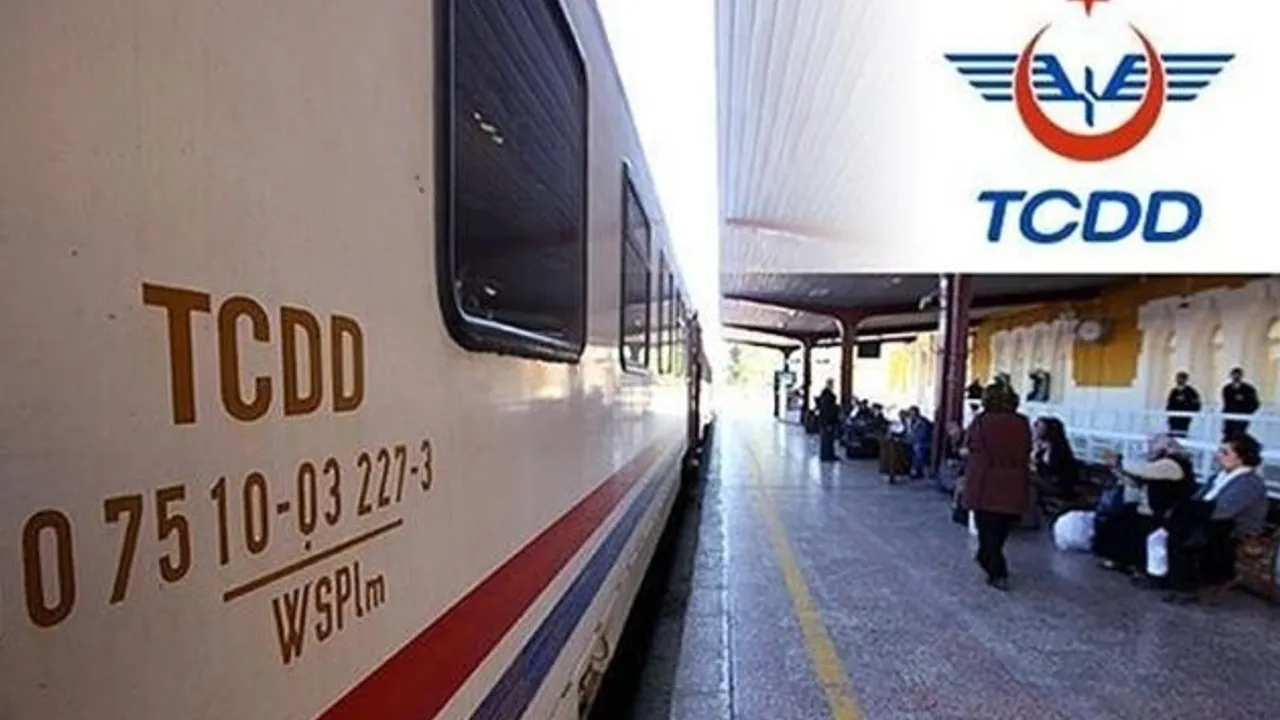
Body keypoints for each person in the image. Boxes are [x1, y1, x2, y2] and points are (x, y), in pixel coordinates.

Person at [1163, 433, 1269, 604]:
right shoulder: (1219, 476)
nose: (1218, 455)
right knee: (1177, 520)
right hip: (1213, 520)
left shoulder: (1249, 482)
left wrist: (1188, 509)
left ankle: (1185, 585)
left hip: (1237, 530)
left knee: (1187, 528)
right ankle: (1177, 580)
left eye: (1225, 452)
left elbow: (1224, 510)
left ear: (1241, 457)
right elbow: (1199, 498)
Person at [963, 383, 1033, 590]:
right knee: (1001, 529)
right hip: (1014, 482)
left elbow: (972, 446)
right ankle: (989, 560)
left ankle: (997, 571)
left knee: (987, 530)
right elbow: (1026, 449)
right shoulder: (1022, 422)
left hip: (986, 481)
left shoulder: (981, 422)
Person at [1092, 435, 1195, 575]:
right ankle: (1119, 559)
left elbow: (1144, 470)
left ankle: (1132, 563)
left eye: (1154, 443)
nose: (1149, 447)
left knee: (1131, 525)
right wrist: (1116, 468)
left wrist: (1120, 461)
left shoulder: (1173, 464)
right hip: (1148, 510)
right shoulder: (1159, 464)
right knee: (1117, 518)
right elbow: (1136, 481)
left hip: (1164, 515)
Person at [1031, 417, 1079, 503]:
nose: (1035, 430)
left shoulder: (1058, 447)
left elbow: (1050, 467)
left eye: (1039, 427)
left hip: (1058, 485)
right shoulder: (1039, 446)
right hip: (1046, 480)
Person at [1221, 367, 1259, 439]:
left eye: (1237, 375)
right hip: (1229, 417)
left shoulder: (1248, 389)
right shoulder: (1227, 388)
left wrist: (1246, 412)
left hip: (1242, 417)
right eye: (1234, 375)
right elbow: (1227, 402)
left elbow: (1255, 403)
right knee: (1228, 436)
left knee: (1239, 435)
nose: (1235, 377)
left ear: (1241, 376)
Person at [1165, 371, 1201, 438]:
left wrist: (1189, 411)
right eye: (1178, 378)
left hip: (1184, 419)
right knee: (1172, 435)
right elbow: (1169, 404)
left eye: (1181, 378)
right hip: (1173, 419)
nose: (1179, 380)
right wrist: (1169, 413)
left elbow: (1197, 404)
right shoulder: (1174, 391)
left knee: (1182, 435)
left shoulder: (1191, 391)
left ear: (1185, 380)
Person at [904, 406, 933, 479]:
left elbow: (922, 435)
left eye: (913, 414)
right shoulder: (909, 422)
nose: (911, 416)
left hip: (923, 442)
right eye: (910, 414)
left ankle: (917, 469)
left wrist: (911, 439)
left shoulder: (922, 422)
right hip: (912, 441)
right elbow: (905, 432)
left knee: (917, 448)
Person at [816, 380, 840, 462]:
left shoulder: (825, 394)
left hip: (825, 420)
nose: (833, 386)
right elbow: (827, 410)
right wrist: (828, 422)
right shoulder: (827, 395)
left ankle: (828, 455)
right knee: (827, 439)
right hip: (828, 420)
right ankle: (827, 456)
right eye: (832, 384)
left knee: (828, 439)